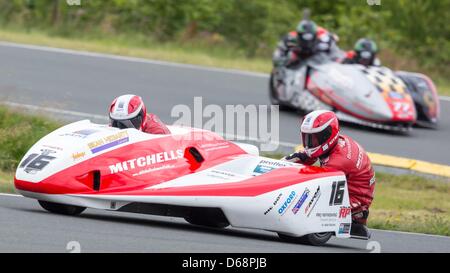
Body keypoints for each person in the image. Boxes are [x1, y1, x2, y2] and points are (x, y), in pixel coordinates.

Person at [282, 110, 375, 239]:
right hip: (345, 188)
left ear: (327, 135)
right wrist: (279, 165)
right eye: (307, 137)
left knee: (300, 194)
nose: (310, 142)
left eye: (314, 138)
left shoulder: (340, 160)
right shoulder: (335, 143)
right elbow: (305, 156)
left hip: (355, 202)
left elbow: (315, 182)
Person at [272, 19, 339, 67]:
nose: (307, 39)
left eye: (310, 35)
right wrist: (283, 61)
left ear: (316, 34)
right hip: (296, 62)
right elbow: (277, 55)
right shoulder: (290, 38)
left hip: (317, 60)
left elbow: (335, 49)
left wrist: (335, 61)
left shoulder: (324, 38)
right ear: (298, 34)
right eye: (304, 35)